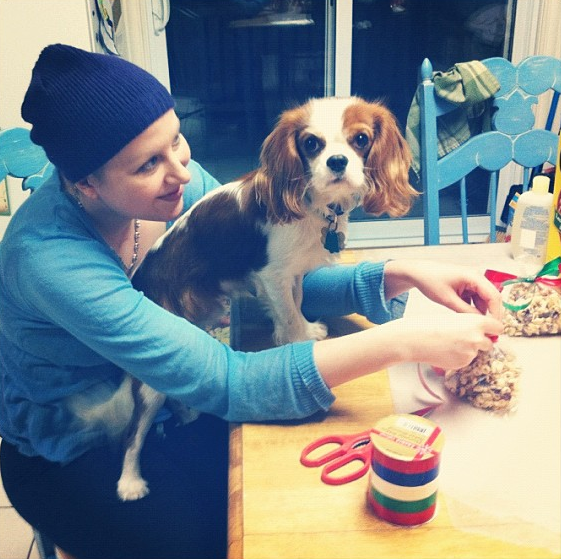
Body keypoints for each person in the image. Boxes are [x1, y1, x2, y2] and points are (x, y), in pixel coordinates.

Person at [0, 44, 503, 559]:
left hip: (177, 399)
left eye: (177, 140)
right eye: (149, 163)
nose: (179, 171)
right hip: (79, 448)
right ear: (85, 181)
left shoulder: (172, 187)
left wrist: (400, 274)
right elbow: (229, 380)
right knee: (227, 539)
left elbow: (267, 273)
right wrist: (402, 341)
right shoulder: (49, 261)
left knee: (303, 496)